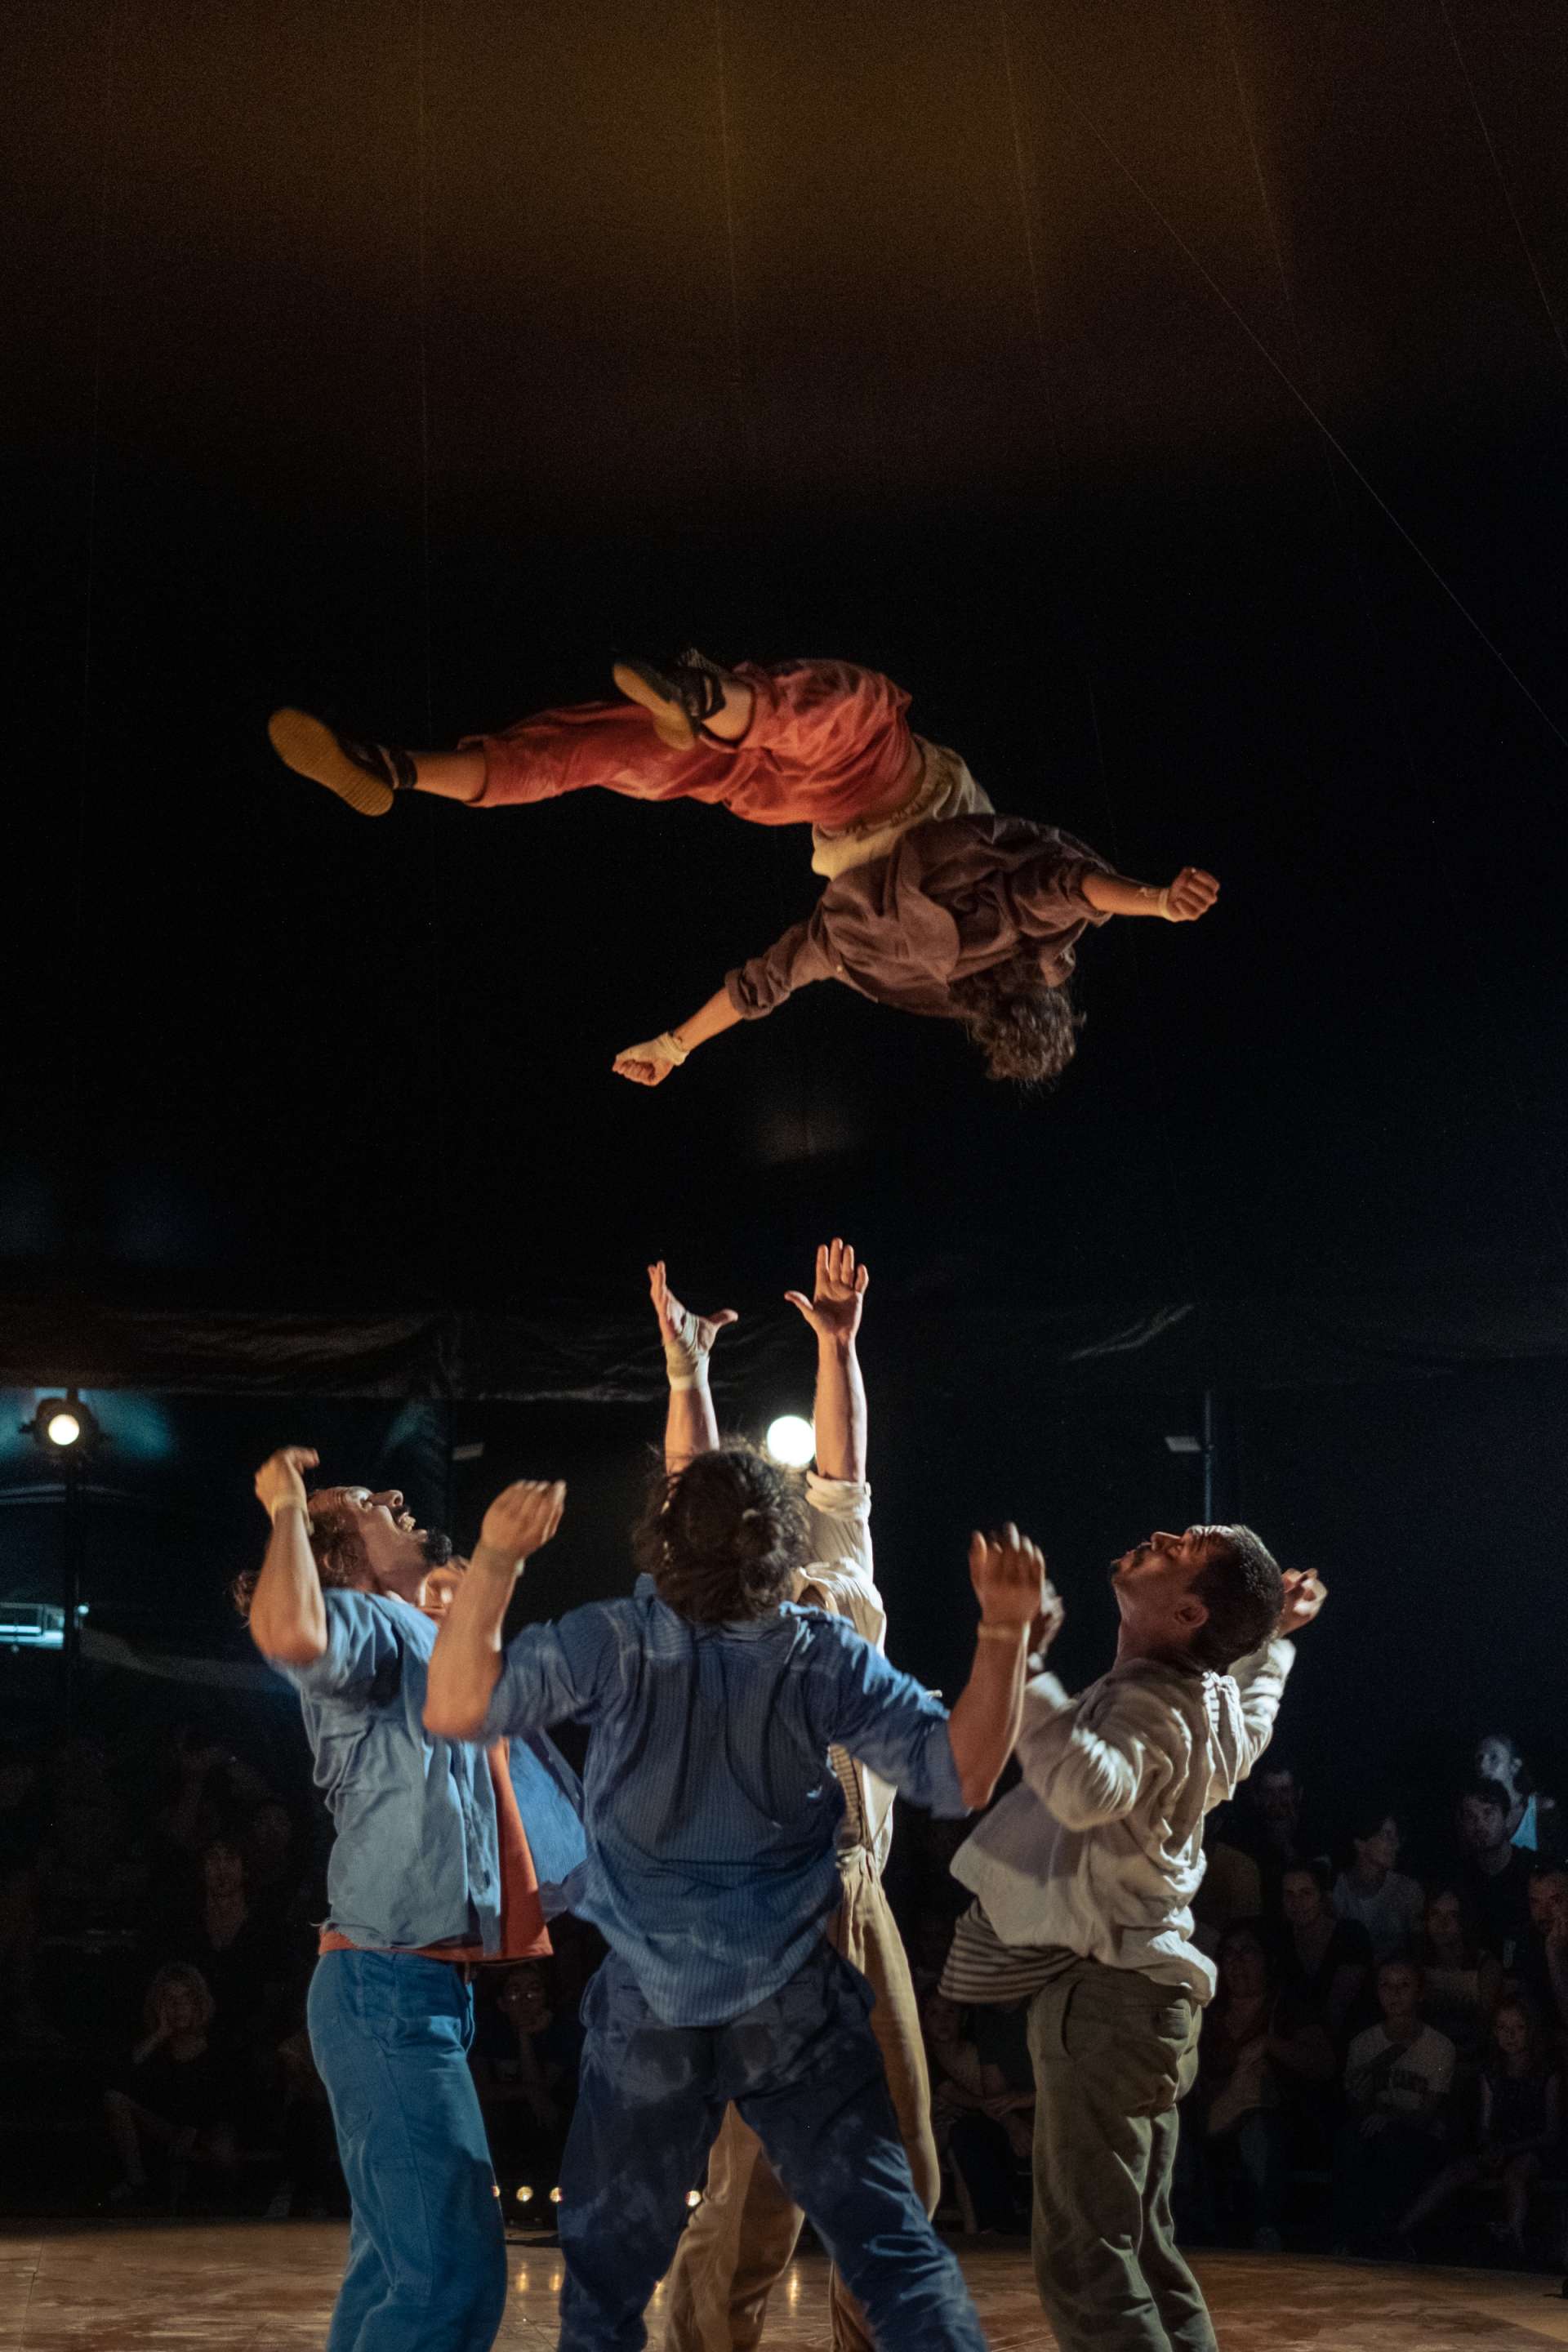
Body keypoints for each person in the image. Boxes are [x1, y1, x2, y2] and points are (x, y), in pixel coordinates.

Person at [424, 1463, 1049, 2352]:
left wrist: (496, 1560)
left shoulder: (622, 1638)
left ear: (667, 1543)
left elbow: (453, 1705)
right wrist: (1003, 1631)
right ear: (775, 1547)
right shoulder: (810, 1652)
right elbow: (966, 1773)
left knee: (616, 2270)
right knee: (848, 2230)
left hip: (669, 1987)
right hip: (777, 1980)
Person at [267, 655, 1217, 1088]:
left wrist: (1153, 903)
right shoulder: (893, 975)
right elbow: (769, 980)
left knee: (856, 706)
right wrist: (674, 1047)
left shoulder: (1028, 942)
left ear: (1042, 993)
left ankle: (715, 696)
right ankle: (403, 770)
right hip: (817, 818)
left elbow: (1058, 886)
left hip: (892, 785)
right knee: (623, 759)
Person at [938, 1520, 1325, 2352]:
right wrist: (1273, 1644)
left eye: (1182, 1548)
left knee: (1088, 2260)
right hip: (1149, 2008)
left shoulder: (1153, 1705)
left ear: (1187, 1614)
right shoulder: (1210, 1698)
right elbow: (1255, 1720)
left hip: (1109, 2005)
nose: (1161, 1535)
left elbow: (1083, 1788)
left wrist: (1019, 1656)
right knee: (1137, 2245)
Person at [657, 1240, 941, 2352]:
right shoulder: (707, 1609)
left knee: (899, 2165)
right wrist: (686, 1378)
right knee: (758, 2182)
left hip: (856, 1896)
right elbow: (687, 1493)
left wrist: (840, 1344)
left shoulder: (836, 1560)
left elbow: (847, 1466)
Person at [241, 1454, 588, 2352]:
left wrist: (483, 1588)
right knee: (449, 2277)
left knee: (401, 2271)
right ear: (339, 1560)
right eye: (365, 1503)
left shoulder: (415, 1628)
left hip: (417, 1991)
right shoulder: (359, 1621)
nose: (394, 1497)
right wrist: (284, 1508)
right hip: (385, 1988)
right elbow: (286, 1631)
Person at [1183, 1922, 1334, 2252]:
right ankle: (1194, 2235)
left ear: (1267, 1960)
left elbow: (1323, 2063)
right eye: (1229, 1953)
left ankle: (1266, 2228)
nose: (1237, 1961)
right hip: (1208, 2115)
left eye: (1247, 1951)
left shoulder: (1288, 2007)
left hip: (1273, 2121)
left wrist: (1269, 2044)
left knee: (1258, 2121)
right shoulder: (1208, 2012)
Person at [1396, 1996, 1560, 2257]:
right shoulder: (1491, 2073)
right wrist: (1489, 2147)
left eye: (1519, 2027)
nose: (1510, 2035)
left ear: (1532, 2030)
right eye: (1503, 2028)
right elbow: (1485, 2123)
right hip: (1498, 2147)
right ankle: (1400, 2232)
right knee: (1456, 2171)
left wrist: (1510, 2149)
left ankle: (1514, 2240)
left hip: (1534, 2149)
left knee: (1516, 2173)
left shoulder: (1548, 2074)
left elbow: (1552, 2133)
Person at [1331, 1958, 1455, 2254]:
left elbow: (1429, 2113)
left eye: (1404, 1986)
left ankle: (1388, 2236)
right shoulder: (1363, 2044)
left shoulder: (1439, 2047)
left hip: (1416, 2135)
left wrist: (1391, 2116)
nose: (1394, 1994)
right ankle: (1348, 2237)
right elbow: (1355, 2103)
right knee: (1350, 2143)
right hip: (1371, 2130)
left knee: (1395, 2148)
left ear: (1420, 1993)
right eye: (1386, 1985)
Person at [104, 1962, 238, 2210]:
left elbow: (224, 2097)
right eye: (170, 1999)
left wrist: (194, 2128)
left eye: (186, 1998)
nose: (178, 2007)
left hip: (205, 2128)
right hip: (165, 2127)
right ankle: (138, 2182)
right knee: (114, 2099)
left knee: (223, 2150)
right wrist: (159, 2035)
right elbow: (120, 2079)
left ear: (198, 2002)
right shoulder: (154, 2044)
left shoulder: (218, 2043)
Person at [1277, 1861, 1372, 2044]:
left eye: (1306, 1893)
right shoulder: (1280, 1941)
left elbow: (1339, 2005)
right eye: (1289, 1894)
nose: (1297, 1903)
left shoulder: (1351, 1934)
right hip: (1299, 2041)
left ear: (1322, 1897)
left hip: (1353, 2037)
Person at [1411, 1886, 1502, 2060]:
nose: (1442, 1924)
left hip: (1469, 2057)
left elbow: (1486, 2026)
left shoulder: (1486, 1966)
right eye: (1435, 1914)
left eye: (1452, 1915)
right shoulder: (1416, 1963)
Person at [1456, 1779, 1536, 1967]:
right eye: (1470, 1816)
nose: (1479, 1824)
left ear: (1506, 1817)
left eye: (1488, 1813)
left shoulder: (1533, 1870)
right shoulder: (1459, 1877)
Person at [1330, 1806, 1425, 1963]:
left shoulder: (1409, 1890)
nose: (1396, 1844)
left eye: (1397, 1836)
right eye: (1387, 1835)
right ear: (1361, 1843)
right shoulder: (1333, 1887)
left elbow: (1419, 1952)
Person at [1476, 1732, 1561, 1859]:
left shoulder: (1541, 1808)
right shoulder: (1474, 1813)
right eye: (1479, 1758)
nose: (1482, 1766)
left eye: (1494, 1758)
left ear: (1514, 1766)